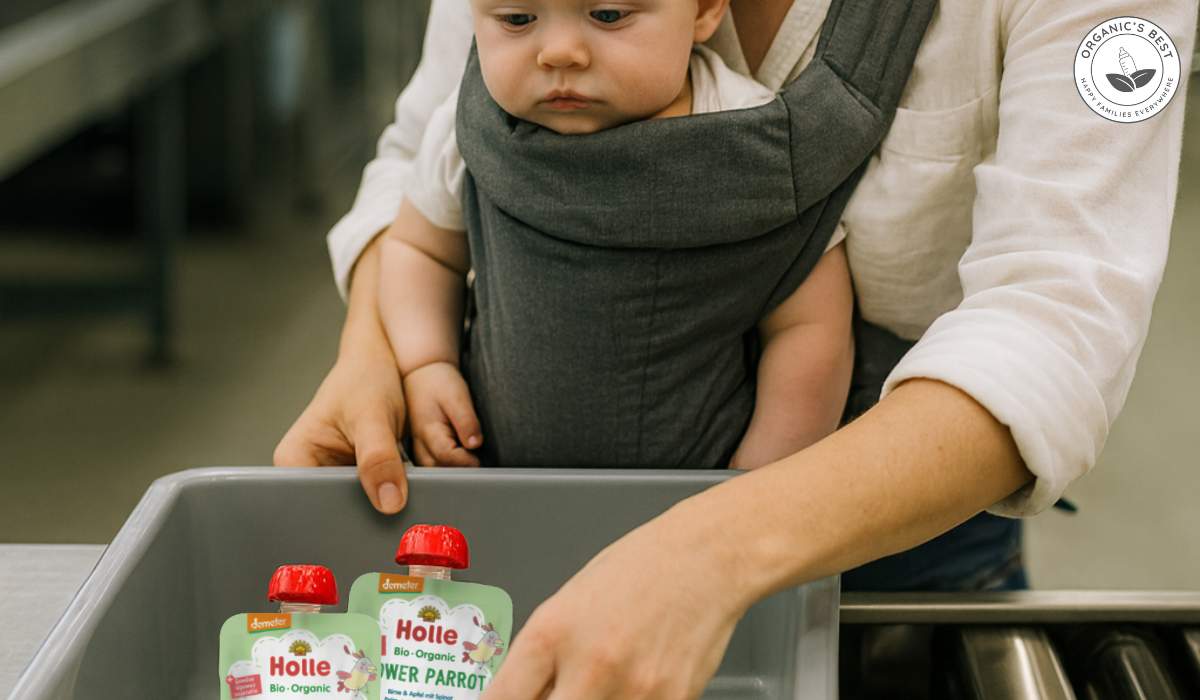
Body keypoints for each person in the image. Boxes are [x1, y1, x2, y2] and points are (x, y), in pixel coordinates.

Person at [276, 0, 1194, 696]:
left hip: (900, 555)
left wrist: (718, 543)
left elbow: (1056, 315)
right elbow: (431, 148)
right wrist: (381, 352)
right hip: (511, 501)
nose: (559, 46)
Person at [379, 0, 854, 471]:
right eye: (517, 20)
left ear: (705, 9)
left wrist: (764, 476)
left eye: (608, 15)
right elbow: (421, 249)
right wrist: (426, 363)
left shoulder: (753, 141)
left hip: (698, 500)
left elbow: (809, 324)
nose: (560, 53)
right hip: (497, 483)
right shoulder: (471, 129)